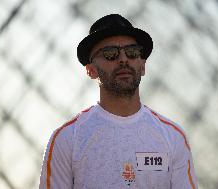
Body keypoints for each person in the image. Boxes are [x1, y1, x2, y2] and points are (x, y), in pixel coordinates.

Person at [39, 14, 198, 189]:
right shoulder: (67, 139)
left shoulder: (173, 137)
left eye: (132, 52)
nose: (123, 59)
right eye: (110, 54)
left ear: (143, 66)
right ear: (91, 71)